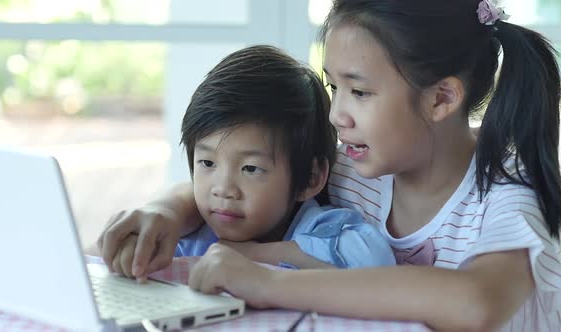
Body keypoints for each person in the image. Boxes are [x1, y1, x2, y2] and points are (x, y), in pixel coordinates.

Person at [98, 0, 561, 330]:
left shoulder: (505, 194)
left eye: (360, 92)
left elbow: (477, 303)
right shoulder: (353, 169)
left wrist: (267, 281)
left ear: (441, 98)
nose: (335, 115)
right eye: (333, 88)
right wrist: (165, 210)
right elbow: (253, 177)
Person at [103, 45, 395, 279]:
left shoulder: (323, 228)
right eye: (207, 163)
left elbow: (375, 262)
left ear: (310, 178)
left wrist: (253, 255)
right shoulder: (191, 235)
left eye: (250, 169)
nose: (223, 189)